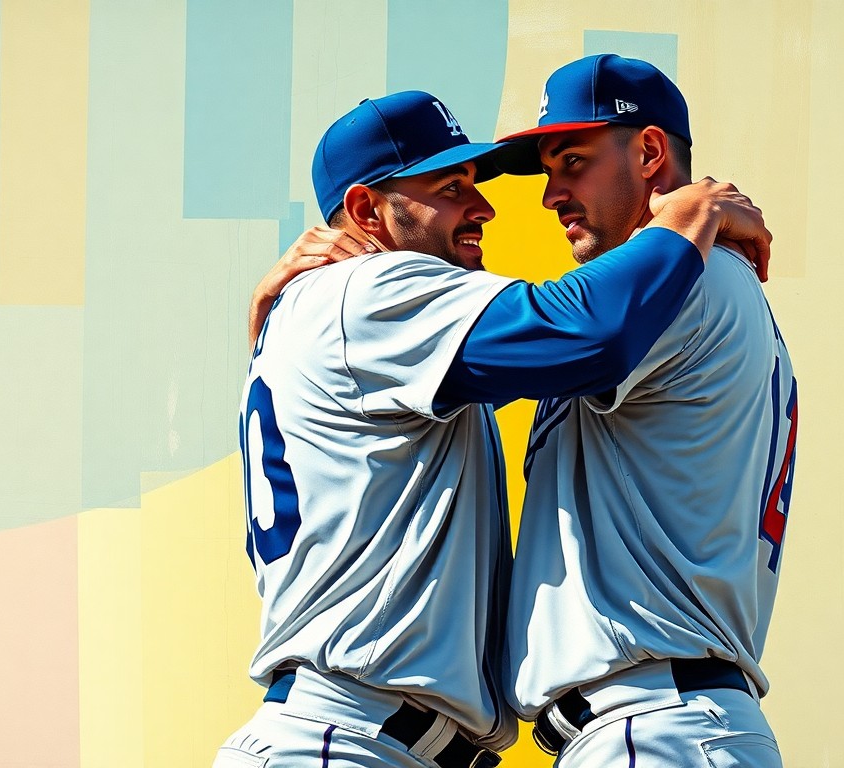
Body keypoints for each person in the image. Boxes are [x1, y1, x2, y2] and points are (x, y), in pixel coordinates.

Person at [218, 89, 773, 768]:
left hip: (370, 734)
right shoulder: (371, 293)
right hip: (349, 736)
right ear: (365, 210)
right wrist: (687, 218)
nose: (485, 208)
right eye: (451, 188)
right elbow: (580, 333)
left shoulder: (361, 323)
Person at [493, 54, 798, 768]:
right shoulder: (686, 284)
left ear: (651, 152)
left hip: (656, 719)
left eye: (573, 162)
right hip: (670, 719)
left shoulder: (686, 286)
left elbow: (556, 333)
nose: (551, 195)